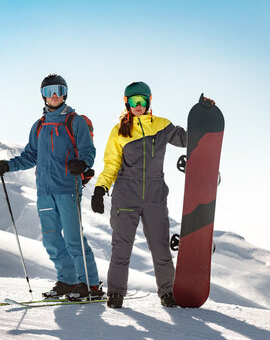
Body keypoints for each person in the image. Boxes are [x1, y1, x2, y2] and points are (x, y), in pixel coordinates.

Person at [91, 81, 215, 308]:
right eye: (133, 101)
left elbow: (188, 140)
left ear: (149, 102)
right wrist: (101, 189)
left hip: (155, 196)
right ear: (126, 103)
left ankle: (168, 292)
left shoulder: (162, 125)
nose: (138, 106)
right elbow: (111, 164)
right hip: (126, 195)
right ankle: (116, 293)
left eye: (142, 101)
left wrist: (204, 116)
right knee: (121, 248)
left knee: (160, 247)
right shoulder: (119, 131)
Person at [0, 74, 104, 299]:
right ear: (42, 95)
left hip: (67, 188)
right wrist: (8, 166)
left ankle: (90, 285)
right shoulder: (39, 126)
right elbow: (30, 155)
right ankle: (68, 280)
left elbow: (87, 150)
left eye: (59, 90)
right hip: (44, 191)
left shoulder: (75, 121)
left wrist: (82, 163)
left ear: (65, 93)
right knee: (51, 239)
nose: (54, 95)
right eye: (49, 90)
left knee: (74, 239)